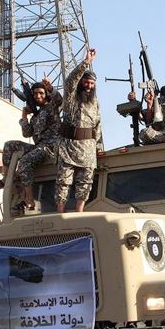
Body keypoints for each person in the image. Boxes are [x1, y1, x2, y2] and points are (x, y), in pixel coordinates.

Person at [0, 77, 62, 210]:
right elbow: (27, 133)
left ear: (46, 95)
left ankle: (29, 199)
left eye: (41, 93)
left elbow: (59, 99)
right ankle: (5, 179)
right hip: (39, 147)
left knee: (24, 162)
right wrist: (24, 115)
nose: (38, 96)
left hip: (50, 147)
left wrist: (50, 87)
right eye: (35, 94)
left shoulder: (51, 108)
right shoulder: (36, 116)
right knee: (9, 145)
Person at [55, 48, 103, 213]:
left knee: (85, 183)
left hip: (88, 149)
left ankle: (79, 212)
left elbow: (97, 126)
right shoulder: (70, 97)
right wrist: (86, 62)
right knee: (63, 182)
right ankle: (60, 212)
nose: (89, 86)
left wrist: (99, 148)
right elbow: (70, 79)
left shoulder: (94, 102)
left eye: (92, 84)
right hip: (68, 146)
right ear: (81, 82)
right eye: (86, 82)